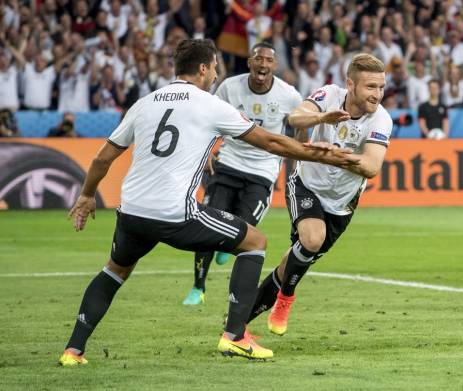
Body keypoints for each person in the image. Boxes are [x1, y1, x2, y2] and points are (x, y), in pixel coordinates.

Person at [58, 38, 360, 366]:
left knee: (114, 272)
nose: (216, 74)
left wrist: (87, 195)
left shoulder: (145, 103)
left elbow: (103, 159)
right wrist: (321, 153)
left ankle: (73, 350)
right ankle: (235, 335)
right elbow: (271, 141)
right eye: (214, 67)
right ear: (203, 68)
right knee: (255, 242)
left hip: (131, 211)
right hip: (175, 213)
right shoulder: (208, 103)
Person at [244, 53, 393, 337]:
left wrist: (336, 157)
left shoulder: (381, 119)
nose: (378, 94)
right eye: (371, 87)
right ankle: (283, 301)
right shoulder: (329, 94)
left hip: (341, 204)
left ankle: (247, 317)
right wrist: (322, 116)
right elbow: (296, 117)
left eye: (381, 87)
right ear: (351, 84)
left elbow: (372, 167)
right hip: (307, 184)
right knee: (312, 239)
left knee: (292, 261)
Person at [182, 42, 304, 305]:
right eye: (258, 59)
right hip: (228, 164)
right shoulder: (229, 87)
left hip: (262, 171)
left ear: (274, 66)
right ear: (250, 62)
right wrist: (206, 153)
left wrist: (296, 165)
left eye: (268, 60)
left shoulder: (289, 95)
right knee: (204, 227)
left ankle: (228, 243)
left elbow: (300, 127)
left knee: (245, 231)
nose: (263, 64)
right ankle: (198, 287)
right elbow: (207, 120)